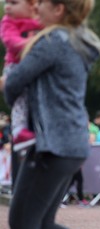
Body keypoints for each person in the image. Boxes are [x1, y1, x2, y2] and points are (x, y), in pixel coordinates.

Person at [0, 0, 100, 229]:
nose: (37, 8)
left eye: (43, 3)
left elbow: (14, 83)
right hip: (72, 143)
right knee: (42, 225)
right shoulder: (78, 40)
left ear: (58, 9)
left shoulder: (52, 41)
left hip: (53, 143)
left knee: (22, 220)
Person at [0, 0, 43, 151]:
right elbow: (10, 40)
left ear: (32, 5)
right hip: (15, 67)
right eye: (6, 2)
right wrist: (30, 44)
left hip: (36, 67)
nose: (7, 7)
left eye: (14, 2)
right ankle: (19, 131)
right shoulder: (8, 21)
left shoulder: (41, 19)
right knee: (20, 99)